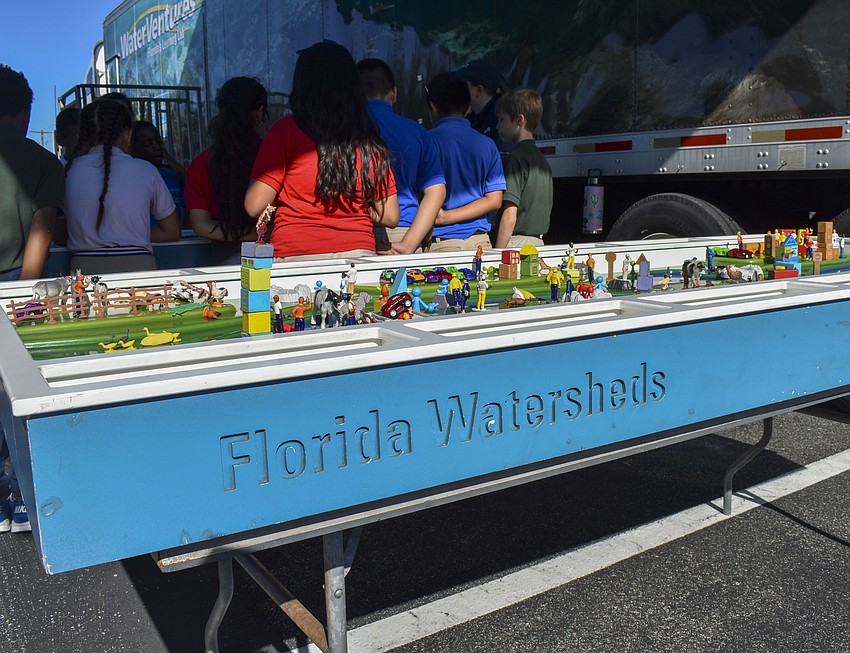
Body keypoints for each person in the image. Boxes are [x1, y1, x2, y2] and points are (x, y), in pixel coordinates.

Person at [245, 40, 399, 260]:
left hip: (295, 259)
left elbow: (254, 205)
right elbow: (390, 215)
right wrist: (352, 206)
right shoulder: (367, 137)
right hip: (358, 258)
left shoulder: (285, 131)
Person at [0, 64, 64, 534]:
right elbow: (41, 231)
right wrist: (24, 294)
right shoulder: (43, 161)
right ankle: (21, 495)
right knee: (17, 396)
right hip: (17, 285)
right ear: (23, 113)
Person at [61, 99, 180, 274]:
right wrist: (132, 231)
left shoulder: (69, 171)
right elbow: (171, 231)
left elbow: (58, 234)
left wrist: (93, 232)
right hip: (140, 272)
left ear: (84, 134)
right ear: (127, 134)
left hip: (84, 276)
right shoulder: (146, 170)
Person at [357, 57, 446, 254]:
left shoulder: (343, 132)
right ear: (394, 93)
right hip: (405, 231)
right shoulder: (418, 132)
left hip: (355, 233)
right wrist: (409, 243)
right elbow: (436, 191)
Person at [186, 76, 269, 265]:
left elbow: (201, 225)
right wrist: (265, 232)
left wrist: (239, 234)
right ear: (260, 112)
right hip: (271, 251)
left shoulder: (201, 163)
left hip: (224, 259)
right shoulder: (273, 156)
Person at [426, 72, 505, 252]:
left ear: (433, 107)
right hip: (481, 244)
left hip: (442, 243)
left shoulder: (426, 142)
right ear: (468, 108)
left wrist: (444, 217)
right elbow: (494, 200)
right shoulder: (487, 144)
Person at [492, 88, 552, 248]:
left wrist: (497, 254)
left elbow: (509, 217)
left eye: (501, 120)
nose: (498, 126)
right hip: (538, 243)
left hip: (516, 244)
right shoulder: (542, 161)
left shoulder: (516, 159)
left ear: (519, 120)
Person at [131, 120, 186, 227]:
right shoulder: (128, 179)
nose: (157, 148)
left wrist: (180, 170)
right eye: (147, 143)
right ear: (133, 148)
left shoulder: (172, 176)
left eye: (159, 142)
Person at [454, 59, 509, 156]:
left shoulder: (500, 122)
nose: (457, 89)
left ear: (479, 90)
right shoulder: (470, 119)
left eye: (462, 85)